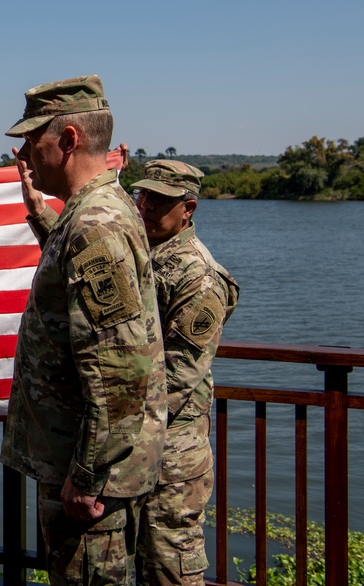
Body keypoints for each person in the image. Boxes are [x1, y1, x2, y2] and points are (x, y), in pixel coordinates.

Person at [0, 75, 167, 585]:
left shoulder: (95, 225)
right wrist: (37, 211)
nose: (25, 153)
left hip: (87, 476)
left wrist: (87, 476)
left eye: (34, 139)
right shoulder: (95, 212)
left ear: (69, 139)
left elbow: (119, 368)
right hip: (85, 462)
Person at [131, 160, 239, 585]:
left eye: (160, 200)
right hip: (140, 441)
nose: (147, 206)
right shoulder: (149, 253)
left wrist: (119, 429)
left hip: (172, 452)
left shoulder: (199, 275)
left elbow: (179, 375)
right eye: (143, 196)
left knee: (168, 565)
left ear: (188, 208)